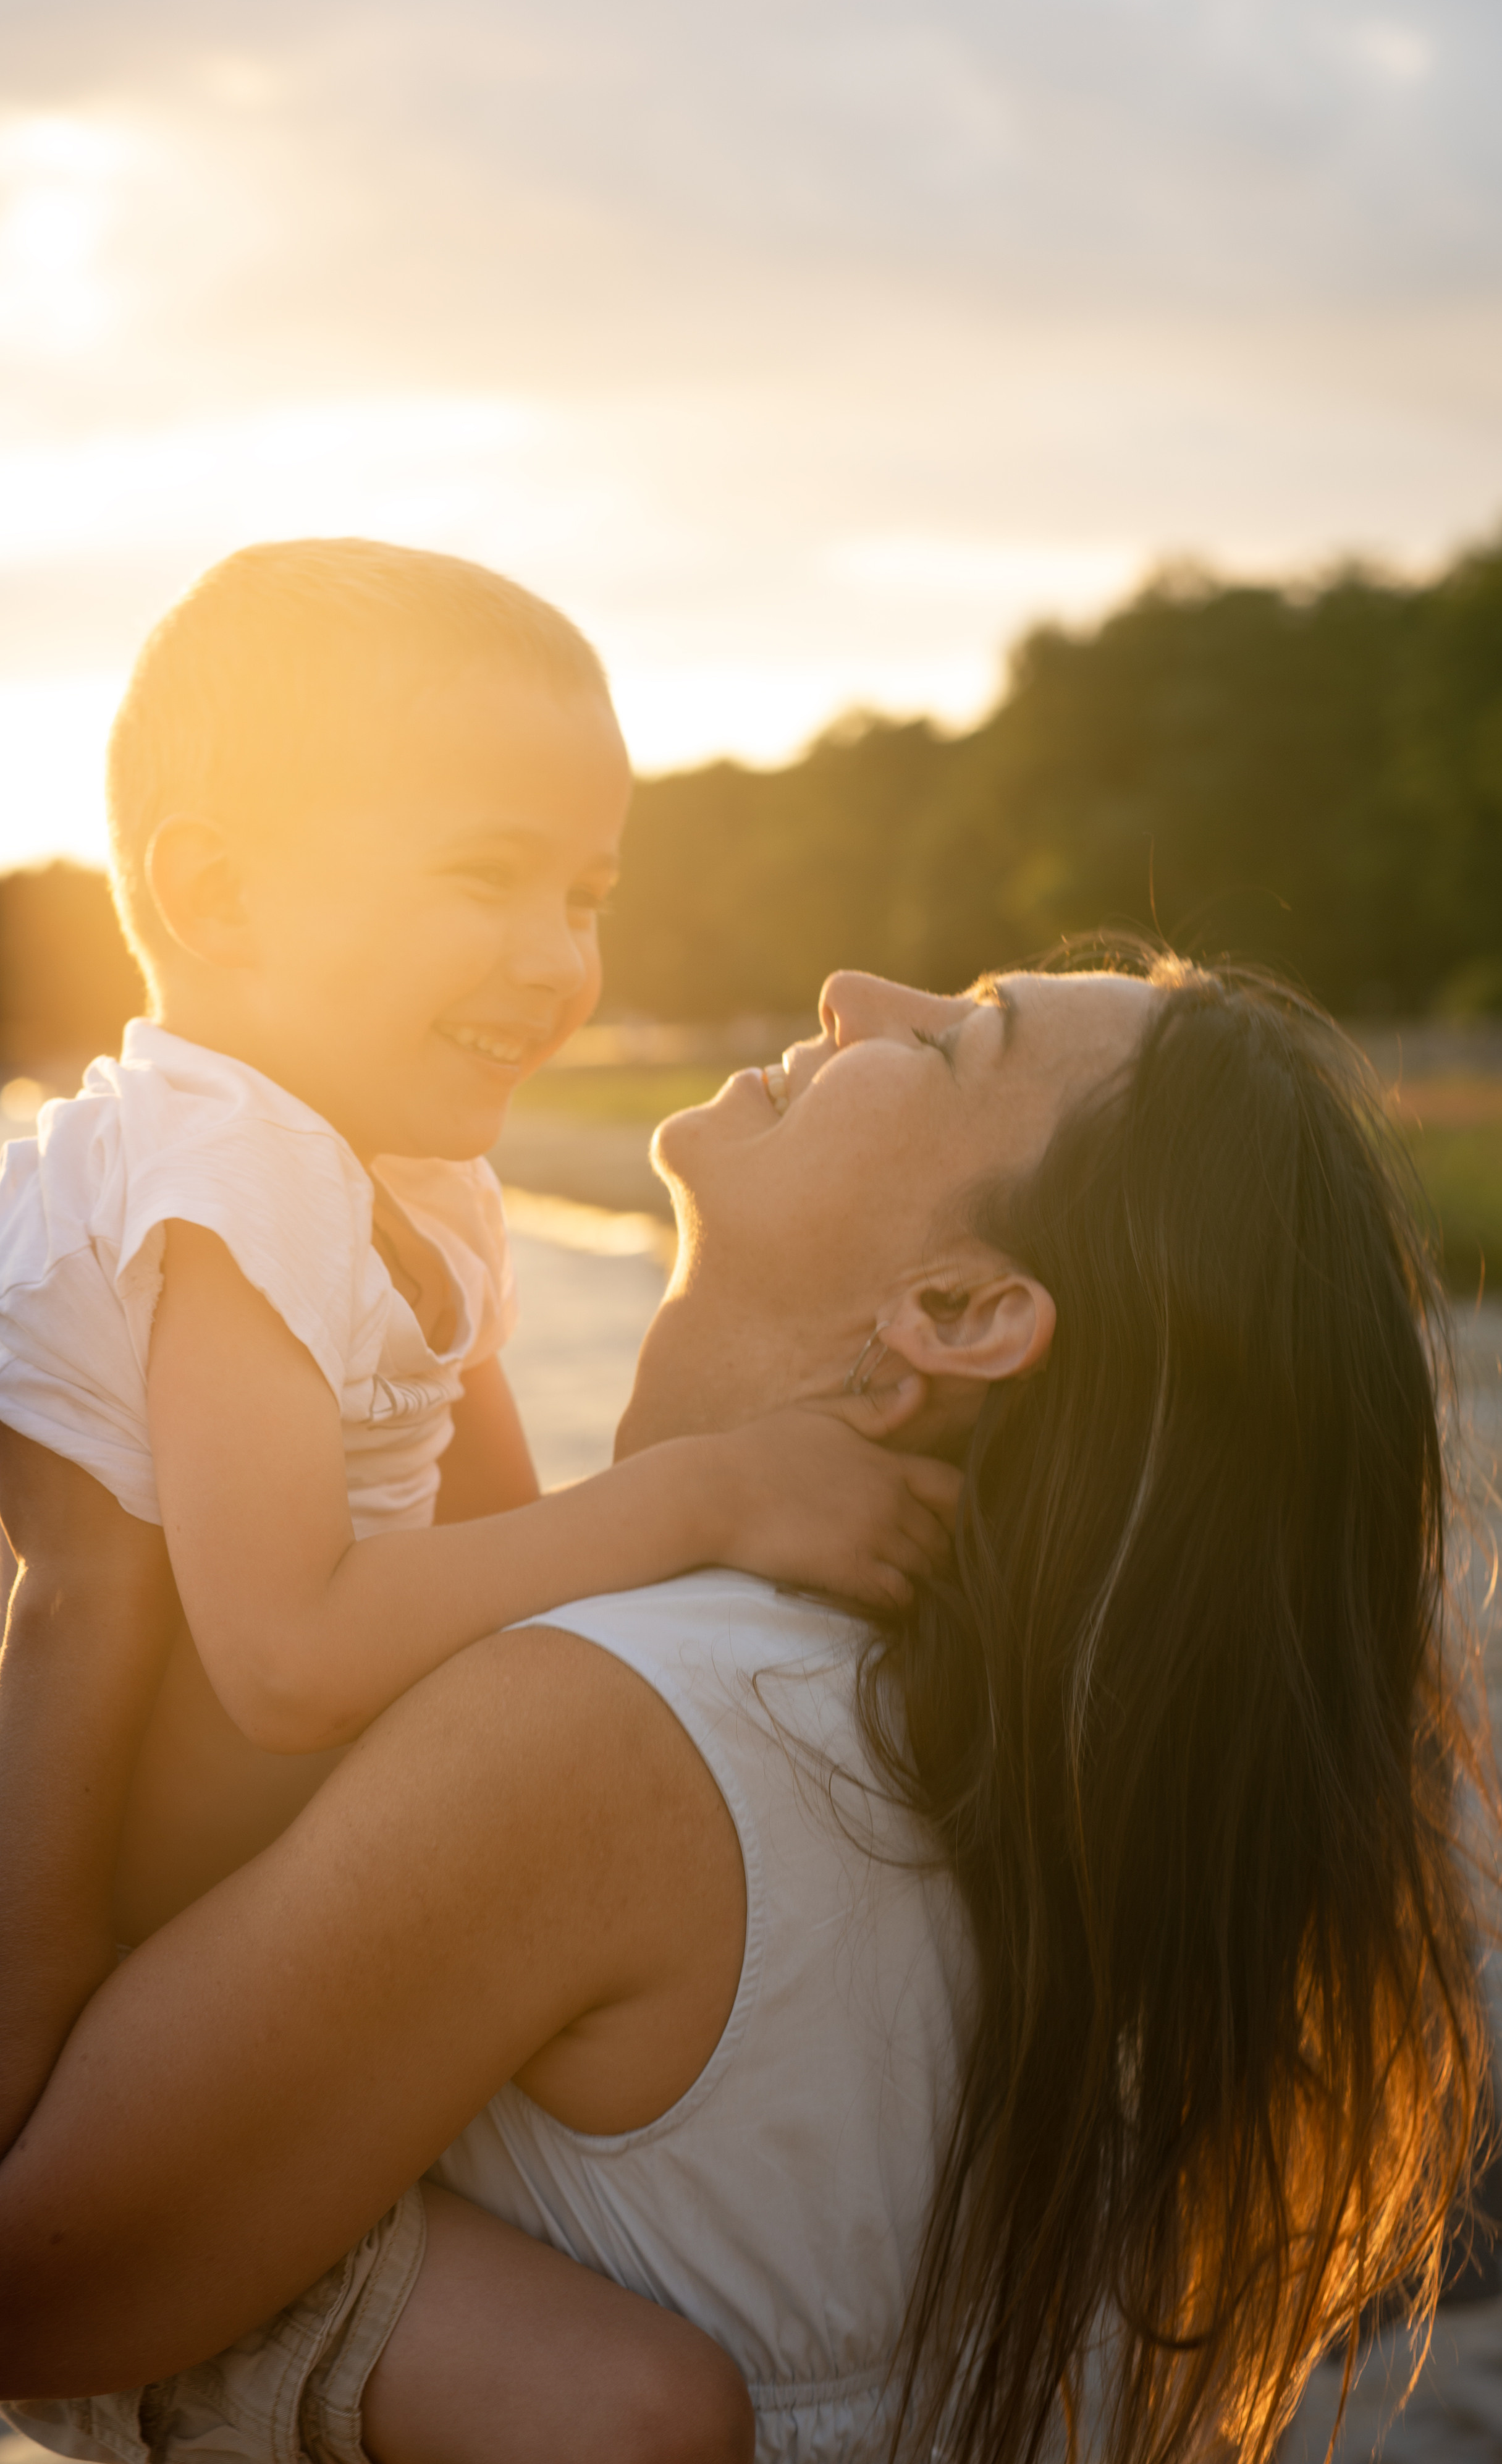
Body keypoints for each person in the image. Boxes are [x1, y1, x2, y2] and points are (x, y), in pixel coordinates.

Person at [0, 953, 1502, 2464]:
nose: (856, 990)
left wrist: (84, 1585)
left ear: (961, 1306)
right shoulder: (957, 1710)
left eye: (948, 1044)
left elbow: (34, 2286)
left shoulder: (597, 1737)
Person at [0, 540, 959, 2452]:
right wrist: (710, 1498)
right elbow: (282, 1660)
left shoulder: (413, 1174)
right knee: (633, 2415)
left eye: (587, 892)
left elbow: (518, 1573)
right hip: (71, 1971)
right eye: (483, 880)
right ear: (213, 896)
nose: (559, 957)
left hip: (248, 1945)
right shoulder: (235, 1175)